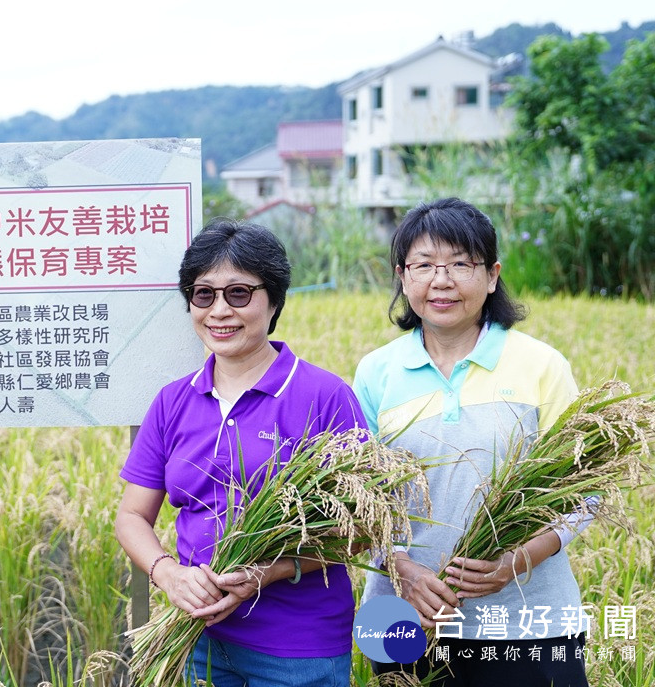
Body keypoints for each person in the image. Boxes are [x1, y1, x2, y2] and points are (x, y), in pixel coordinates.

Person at [115, 219, 364, 687]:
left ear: (274, 301)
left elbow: (361, 529)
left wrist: (265, 573)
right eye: (203, 294)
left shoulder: (324, 396)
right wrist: (168, 574)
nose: (219, 311)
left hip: (297, 650)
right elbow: (131, 516)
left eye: (239, 294)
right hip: (196, 639)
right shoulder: (173, 400)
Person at [355, 197, 590, 687]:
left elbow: (584, 491)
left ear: (492, 275)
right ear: (402, 276)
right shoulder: (376, 373)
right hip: (407, 624)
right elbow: (357, 498)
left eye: (461, 264)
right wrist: (401, 568)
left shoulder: (541, 365)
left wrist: (515, 561)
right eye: (424, 265)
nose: (441, 281)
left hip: (528, 626)